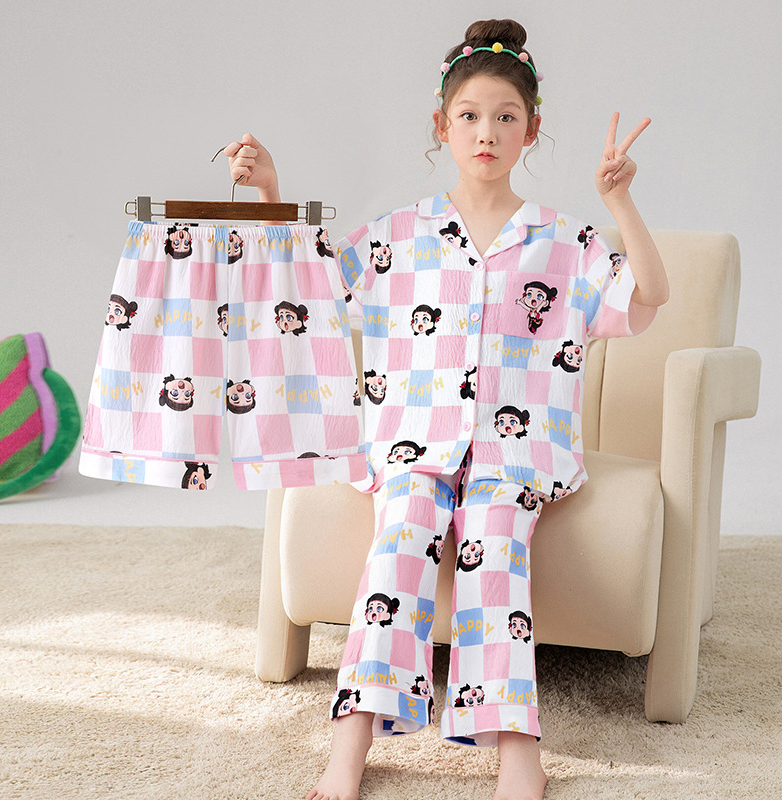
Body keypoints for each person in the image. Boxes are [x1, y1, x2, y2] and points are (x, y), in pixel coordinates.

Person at [225, 18, 668, 800]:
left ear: (531, 128)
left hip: (516, 454)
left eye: (505, 116)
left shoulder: (565, 242)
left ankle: (519, 752)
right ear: (442, 125)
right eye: (469, 115)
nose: (486, 131)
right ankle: (349, 746)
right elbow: (306, 288)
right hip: (411, 444)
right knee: (398, 549)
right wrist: (269, 192)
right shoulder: (397, 235)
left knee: (495, 555)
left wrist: (620, 201)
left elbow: (649, 298)